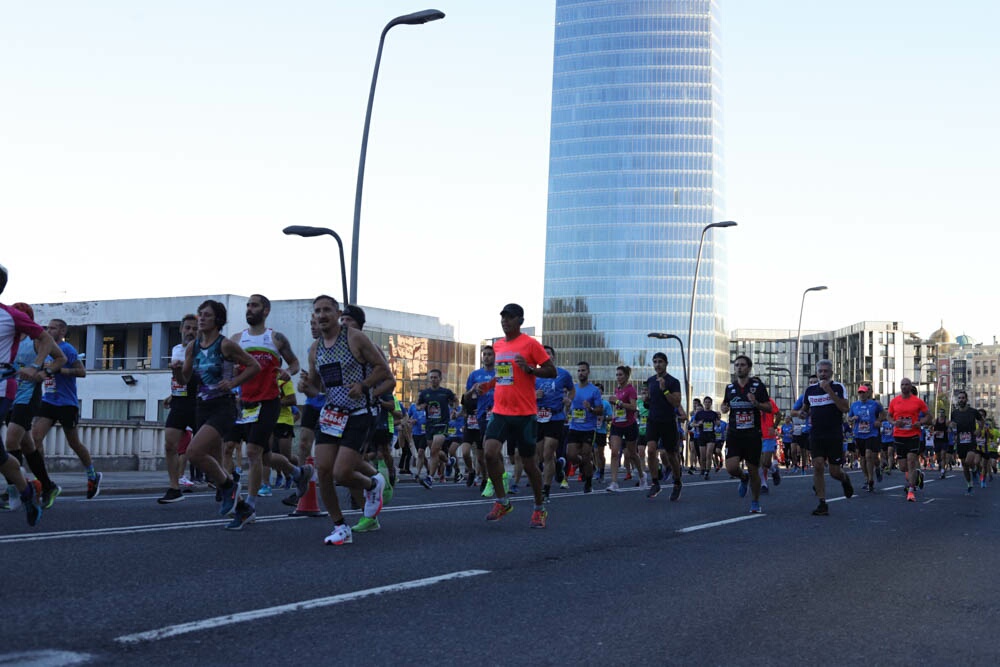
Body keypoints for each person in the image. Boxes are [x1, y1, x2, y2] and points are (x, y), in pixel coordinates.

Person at [302, 295, 392, 546]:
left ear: (337, 313)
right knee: (323, 471)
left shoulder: (354, 337)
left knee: (342, 473)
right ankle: (341, 526)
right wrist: (305, 385)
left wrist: (363, 386)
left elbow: (384, 371)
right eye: (317, 311)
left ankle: (372, 484)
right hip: (332, 414)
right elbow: (316, 389)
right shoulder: (315, 349)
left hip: (360, 413)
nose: (321, 315)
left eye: (326, 310)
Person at [225, 294, 312, 529]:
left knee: (253, 452)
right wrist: (231, 372)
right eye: (248, 305)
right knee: (256, 454)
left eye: (254, 305)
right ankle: (297, 472)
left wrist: (288, 372)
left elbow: (295, 363)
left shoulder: (275, 338)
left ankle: (250, 507)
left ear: (266, 311)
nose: (249, 309)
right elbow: (227, 370)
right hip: (245, 404)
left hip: (269, 401)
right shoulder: (236, 339)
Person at [181, 300, 262, 521]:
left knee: (194, 453)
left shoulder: (225, 345)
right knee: (215, 466)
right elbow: (185, 379)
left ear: (217, 319)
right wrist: (177, 372)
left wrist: (233, 381)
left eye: (206, 315)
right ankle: (244, 508)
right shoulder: (193, 347)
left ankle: (230, 487)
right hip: (202, 406)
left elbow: (255, 366)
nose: (201, 319)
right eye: (200, 315)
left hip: (223, 406)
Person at [480, 304, 556, 528]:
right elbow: (503, 374)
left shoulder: (531, 344)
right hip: (501, 411)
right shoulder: (498, 345)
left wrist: (531, 370)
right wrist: (486, 386)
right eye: (502, 317)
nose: (505, 321)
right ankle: (502, 501)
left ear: (520, 321)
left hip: (524, 414)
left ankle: (539, 508)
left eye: (510, 318)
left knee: (530, 465)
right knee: (490, 453)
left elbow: (552, 371)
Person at [0, 279, 65, 525]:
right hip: (14, 396)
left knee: (11, 440)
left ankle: (18, 488)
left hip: (24, 394)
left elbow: (58, 360)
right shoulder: (11, 337)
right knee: (25, 446)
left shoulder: (33, 337)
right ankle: (38, 488)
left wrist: (38, 369)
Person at [31, 319, 103, 499]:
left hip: (67, 403)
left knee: (74, 443)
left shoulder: (68, 350)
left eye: (53, 328)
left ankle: (92, 475)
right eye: (47, 327)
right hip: (48, 400)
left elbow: (82, 372)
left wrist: (62, 371)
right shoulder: (44, 350)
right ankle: (43, 479)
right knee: (35, 437)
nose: (48, 330)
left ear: (62, 331)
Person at [798, 360, 853, 515]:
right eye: (820, 371)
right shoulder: (810, 390)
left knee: (834, 472)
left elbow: (845, 408)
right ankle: (822, 503)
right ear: (817, 372)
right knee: (818, 465)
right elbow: (805, 409)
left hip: (834, 433)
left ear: (831, 373)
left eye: (826, 371)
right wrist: (803, 413)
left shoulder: (838, 387)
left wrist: (829, 391)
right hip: (816, 433)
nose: (823, 374)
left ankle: (844, 479)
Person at [720, 355, 773, 513]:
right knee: (731, 468)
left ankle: (755, 502)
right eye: (736, 365)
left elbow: (769, 407)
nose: (739, 367)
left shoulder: (758, 386)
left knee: (753, 469)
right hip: (735, 434)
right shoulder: (730, 388)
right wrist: (724, 408)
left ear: (749, 368)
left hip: (752, 435)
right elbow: (725, 404)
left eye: (742, 365)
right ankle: (743, 478)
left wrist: (756, 403)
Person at [159, 314, 199, 504]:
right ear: (181, 329)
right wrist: (171, 395)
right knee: (169, 445)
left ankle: (225, 482)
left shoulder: (202, 350)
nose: (190, 332)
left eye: (194, 329)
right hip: (179, 401)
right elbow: (179, 379)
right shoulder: (176, 349)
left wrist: (183, 367)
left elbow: (197, 375)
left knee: (207, 449)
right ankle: (174, 488)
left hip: (199, 401)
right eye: (188, 328)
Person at [536, 345, 574, 500]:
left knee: (547, 452)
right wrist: (533, 395)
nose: (546, 355)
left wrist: (568, 400)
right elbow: (524, 395)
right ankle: (558, 464)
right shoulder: (534, 374)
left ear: (553, 357)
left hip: (555, 416)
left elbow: (572, 390)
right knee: (540, 456)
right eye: (542, 353)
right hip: (538, 417)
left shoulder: (563, 374)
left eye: (549, 353)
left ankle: (546, 489)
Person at [644, 352, 683, 501]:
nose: (657, 364)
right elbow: (648, 403)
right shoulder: (649, 381)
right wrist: (646, 399)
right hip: (653, 420)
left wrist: (665, 389)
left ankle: (677, 482)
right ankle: (655, 482)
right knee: (651, 450)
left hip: (668, 421)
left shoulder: (673, 381)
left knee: (671, 454)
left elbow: (676, 402)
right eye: (655, 362)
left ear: (666, 363)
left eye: (660, 361)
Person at [888, 377, 931, 502]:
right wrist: (894, 422)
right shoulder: (894, 401)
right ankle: (918, 474)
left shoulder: (917, 401)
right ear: (900, 387)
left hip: (913, 435)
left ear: (910, 386)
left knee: (911, 460)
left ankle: (911, 490)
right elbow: (889, 416)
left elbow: (929, 416)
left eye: (907, 385)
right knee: (902, 467)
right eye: (902, 385)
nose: (904, 387)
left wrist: (920, 422)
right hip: (899, 435)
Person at [463, 346, 497, 492]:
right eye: (485, 354)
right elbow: (465, 398)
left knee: (492, 448)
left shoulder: (500, 373)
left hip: (499, 414)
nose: (487, 357)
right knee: (483, 453)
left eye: (490, 354)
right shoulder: (475, 375)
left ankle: (493, 479)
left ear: (495, 357)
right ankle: (487, 477)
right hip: (482, 415)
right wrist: (473, 390)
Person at [565, 361, 602, 493]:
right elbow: (568, 407)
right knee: (571, 455)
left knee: (586, 456)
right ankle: (583, 464)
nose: (581, 373)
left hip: (588, 429)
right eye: (579, 371)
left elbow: (600, 410)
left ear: (588, 372)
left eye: (583, 370)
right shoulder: (573, 389)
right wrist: (567, 407)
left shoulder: (594, 390)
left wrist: (590, 408)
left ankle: (589, 482)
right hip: (574, 427)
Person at [417, 369, 456, 490]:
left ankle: (429, 478)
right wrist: (420, 407)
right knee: (435, 452)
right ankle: (449, 461)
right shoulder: (425, 393)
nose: (433, 379)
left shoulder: (446, 392)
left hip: (442, 424)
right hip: (430, 425)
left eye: (435, 377)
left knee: (434, 450)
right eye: (431, 377)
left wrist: (454, 409)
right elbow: (417, 404)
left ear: (440, 379)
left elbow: (455, 400)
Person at [606, 365, 639, 493]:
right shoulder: (617, 389)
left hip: (629, 424)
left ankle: (642, 475)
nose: (618, 377)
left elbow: (633, 407)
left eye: (620, 374)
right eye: (617, 375)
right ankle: (614, 482)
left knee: (632, 454)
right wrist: (614, 403)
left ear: (626, 376)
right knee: (615, 452)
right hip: (617, 424)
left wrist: (619, 403)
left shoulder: (631, 390)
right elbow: (618, 407)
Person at [848, 383, 886, 492]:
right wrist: (852, 419)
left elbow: (884, 414)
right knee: (863, 458)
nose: (862, 394)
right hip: (859, 434)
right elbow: (848, 418)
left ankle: (871, 479)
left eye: (863, 392)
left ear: (868, 393)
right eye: (860, 392)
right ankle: (867, 477)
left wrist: (879, 421)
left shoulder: (875, 404)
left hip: (872, 433)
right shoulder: (854, 405)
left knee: (870, 455)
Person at [950, 390, 984, 495]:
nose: (961, 400)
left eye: (963, 398)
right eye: (959, 398)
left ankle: (974, 469)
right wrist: (952, 429)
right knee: (964, 465)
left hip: (971, 440)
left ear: (966, 399)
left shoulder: (973, 411)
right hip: (961, 441)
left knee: (969, 461)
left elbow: (981, 420)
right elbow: (953, 425)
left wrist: (979, 430)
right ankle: (969, 484)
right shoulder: (954, 413)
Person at [693, 396, 720, 482]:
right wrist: (698, 424)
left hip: (711, 436)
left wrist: (717, 423)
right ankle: (703, 469)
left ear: (711, 404)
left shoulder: (714, 413)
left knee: (709, 454)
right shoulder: (699, 414)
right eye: (706, 402)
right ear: (704, 403)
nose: (707, 403)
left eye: (709, 402)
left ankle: (707, 472)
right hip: (702, 436)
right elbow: (693, 424)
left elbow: (718, 423)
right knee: (702, 456)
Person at [759, 397, 781, 493]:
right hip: (756, 436)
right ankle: (763, 484)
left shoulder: (769, 401)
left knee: (766, 462)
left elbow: (779, 414)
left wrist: (774, 426)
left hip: (768, 435)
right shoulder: (750, 401)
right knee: (759, 462)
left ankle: (774, 470)